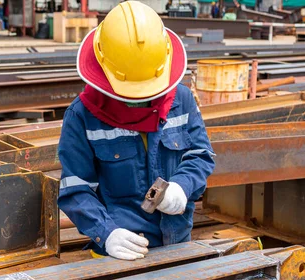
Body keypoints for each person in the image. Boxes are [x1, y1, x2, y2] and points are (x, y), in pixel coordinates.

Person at [58, 1, 215, 261]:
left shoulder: (181, 100)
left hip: (177, 246)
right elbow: (76, 189)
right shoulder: (82, 116)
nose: (140, 100)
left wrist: (181, 187)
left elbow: (201, 154)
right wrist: (106, 234)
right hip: (117, 254)